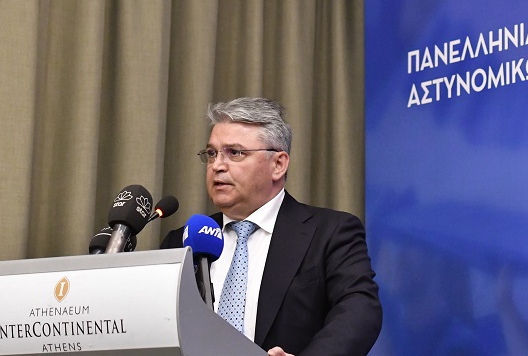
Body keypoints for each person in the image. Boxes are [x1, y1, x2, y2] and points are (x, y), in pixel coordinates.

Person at [161, 97, 382, 356]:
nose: (217, 166)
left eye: (235, 153)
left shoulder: (330, 233)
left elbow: (359, 309)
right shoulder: (182, 242)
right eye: (212, 154)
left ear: (278, 164)